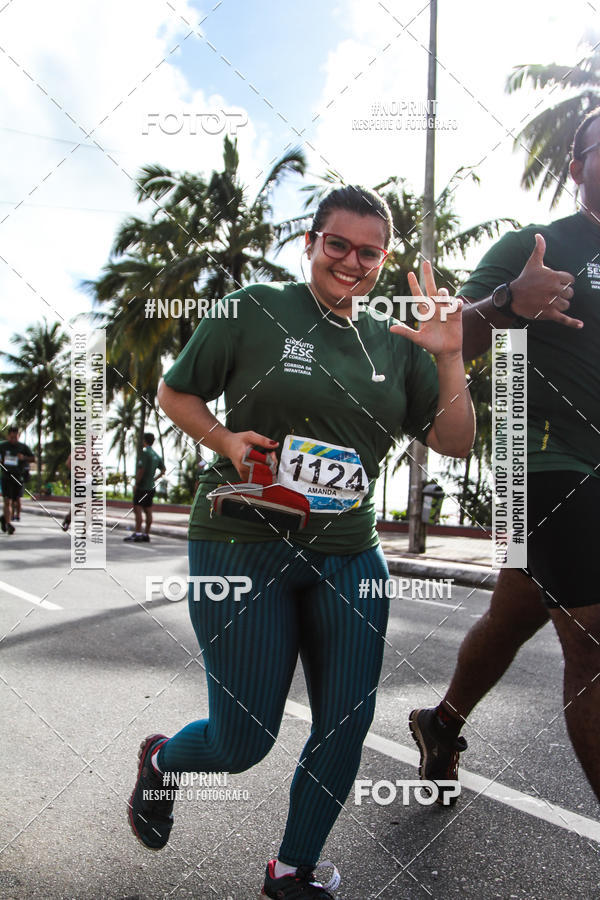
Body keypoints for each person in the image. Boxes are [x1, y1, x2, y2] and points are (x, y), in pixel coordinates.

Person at [127, 185, 475, 899]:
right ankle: (164, 761)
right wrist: (224, 439)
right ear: (311, 243)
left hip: (349, 551)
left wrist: (447, 358)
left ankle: (293, 870)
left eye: (369, 251)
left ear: (384, 258)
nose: (352, 262)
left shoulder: (398, 337)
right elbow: (176, 392)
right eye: (337, 244)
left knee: (347, 719)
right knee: (241, 741)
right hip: (240, 541)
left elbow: (455, 440)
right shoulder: (253, 309)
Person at [409, 107, 600, 806]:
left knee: (516, 613)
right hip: (545, 461)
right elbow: (448, 332)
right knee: (592, 640)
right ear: (577, 168)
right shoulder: (539, 243)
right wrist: (509, 301)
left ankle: (441, 722)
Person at [124, 433, 165, 543]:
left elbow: (141, 470)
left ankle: (137, 533)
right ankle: (146, 534)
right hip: (151, 487)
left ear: (144, 440)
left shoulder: (145, 453)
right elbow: (163, 470)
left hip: (142, 487)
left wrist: (136, 484)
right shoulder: (156, 455)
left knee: (137, 510)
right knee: (148, 511)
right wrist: (154, 479)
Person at [0, 426, 34, 535]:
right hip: (6, 476)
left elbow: (33, 458)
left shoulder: (23, 447)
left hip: (18, 477)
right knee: (7, 501)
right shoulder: (3, 446)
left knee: (16, 501)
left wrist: (23, 458)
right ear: (8, 436)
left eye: (15, 437)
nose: (13, 439)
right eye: (11, 437)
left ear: (18, 436)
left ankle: (4, 518)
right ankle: (9, 523)